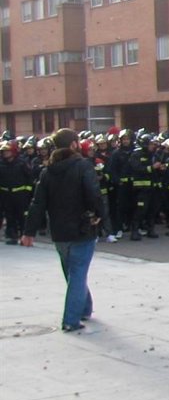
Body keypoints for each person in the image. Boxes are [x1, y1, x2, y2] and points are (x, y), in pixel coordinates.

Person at [20, 129, 109, 332]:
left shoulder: (47, 171)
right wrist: (100, 217)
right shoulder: (83, 166)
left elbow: (37, 204)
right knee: (77, 274)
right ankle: (71, 320)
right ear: (74, 145)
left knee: (73, 273)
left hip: (59, 232)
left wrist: (29, 232)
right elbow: (95, 195)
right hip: (82, 229)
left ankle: (85, 308)